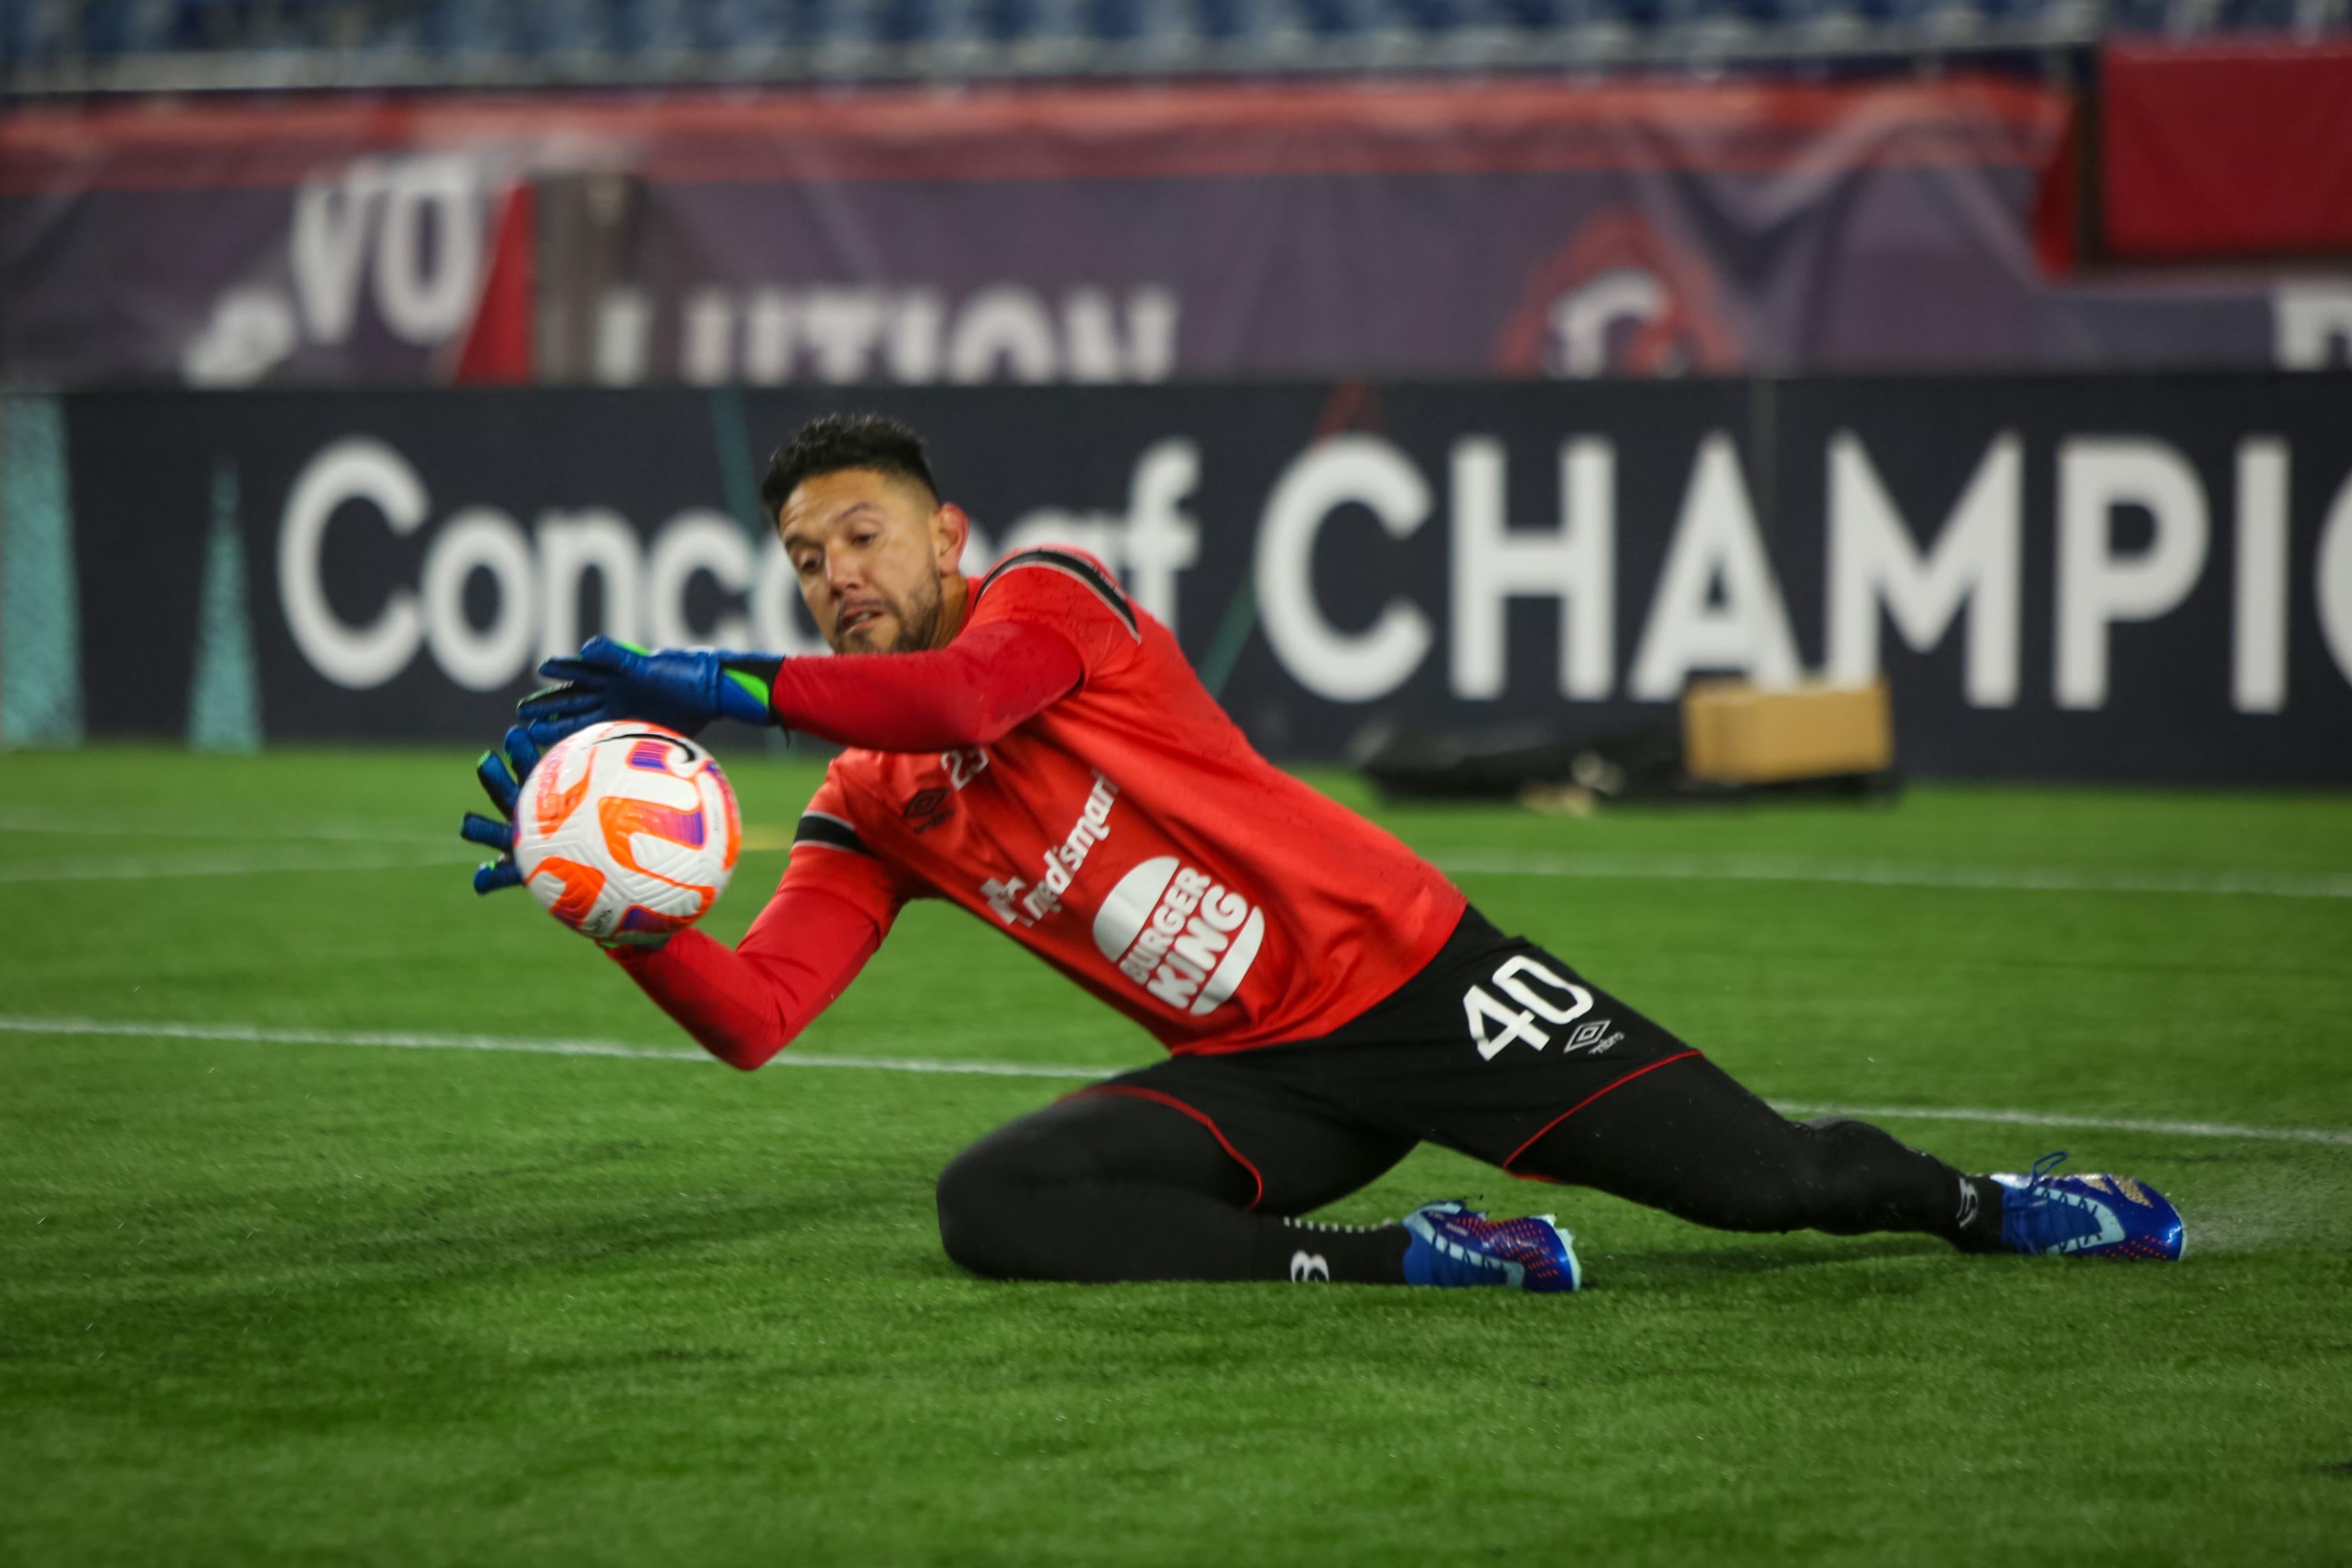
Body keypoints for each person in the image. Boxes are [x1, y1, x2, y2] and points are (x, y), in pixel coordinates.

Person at [461, 413, 2185, 1289]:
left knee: (1773, 1188)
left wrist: (705, 682)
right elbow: (759, 1008)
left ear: (946, 536)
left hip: (1428, 981)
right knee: (991, 1203)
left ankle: (1991, 1205)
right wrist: (609, 902)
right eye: (804, 555)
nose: (836, 568)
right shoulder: (867, 800)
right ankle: (1413, 1259)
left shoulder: (1044, 602)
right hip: (1265, 1072)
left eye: (864, 533)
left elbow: (961, 687)